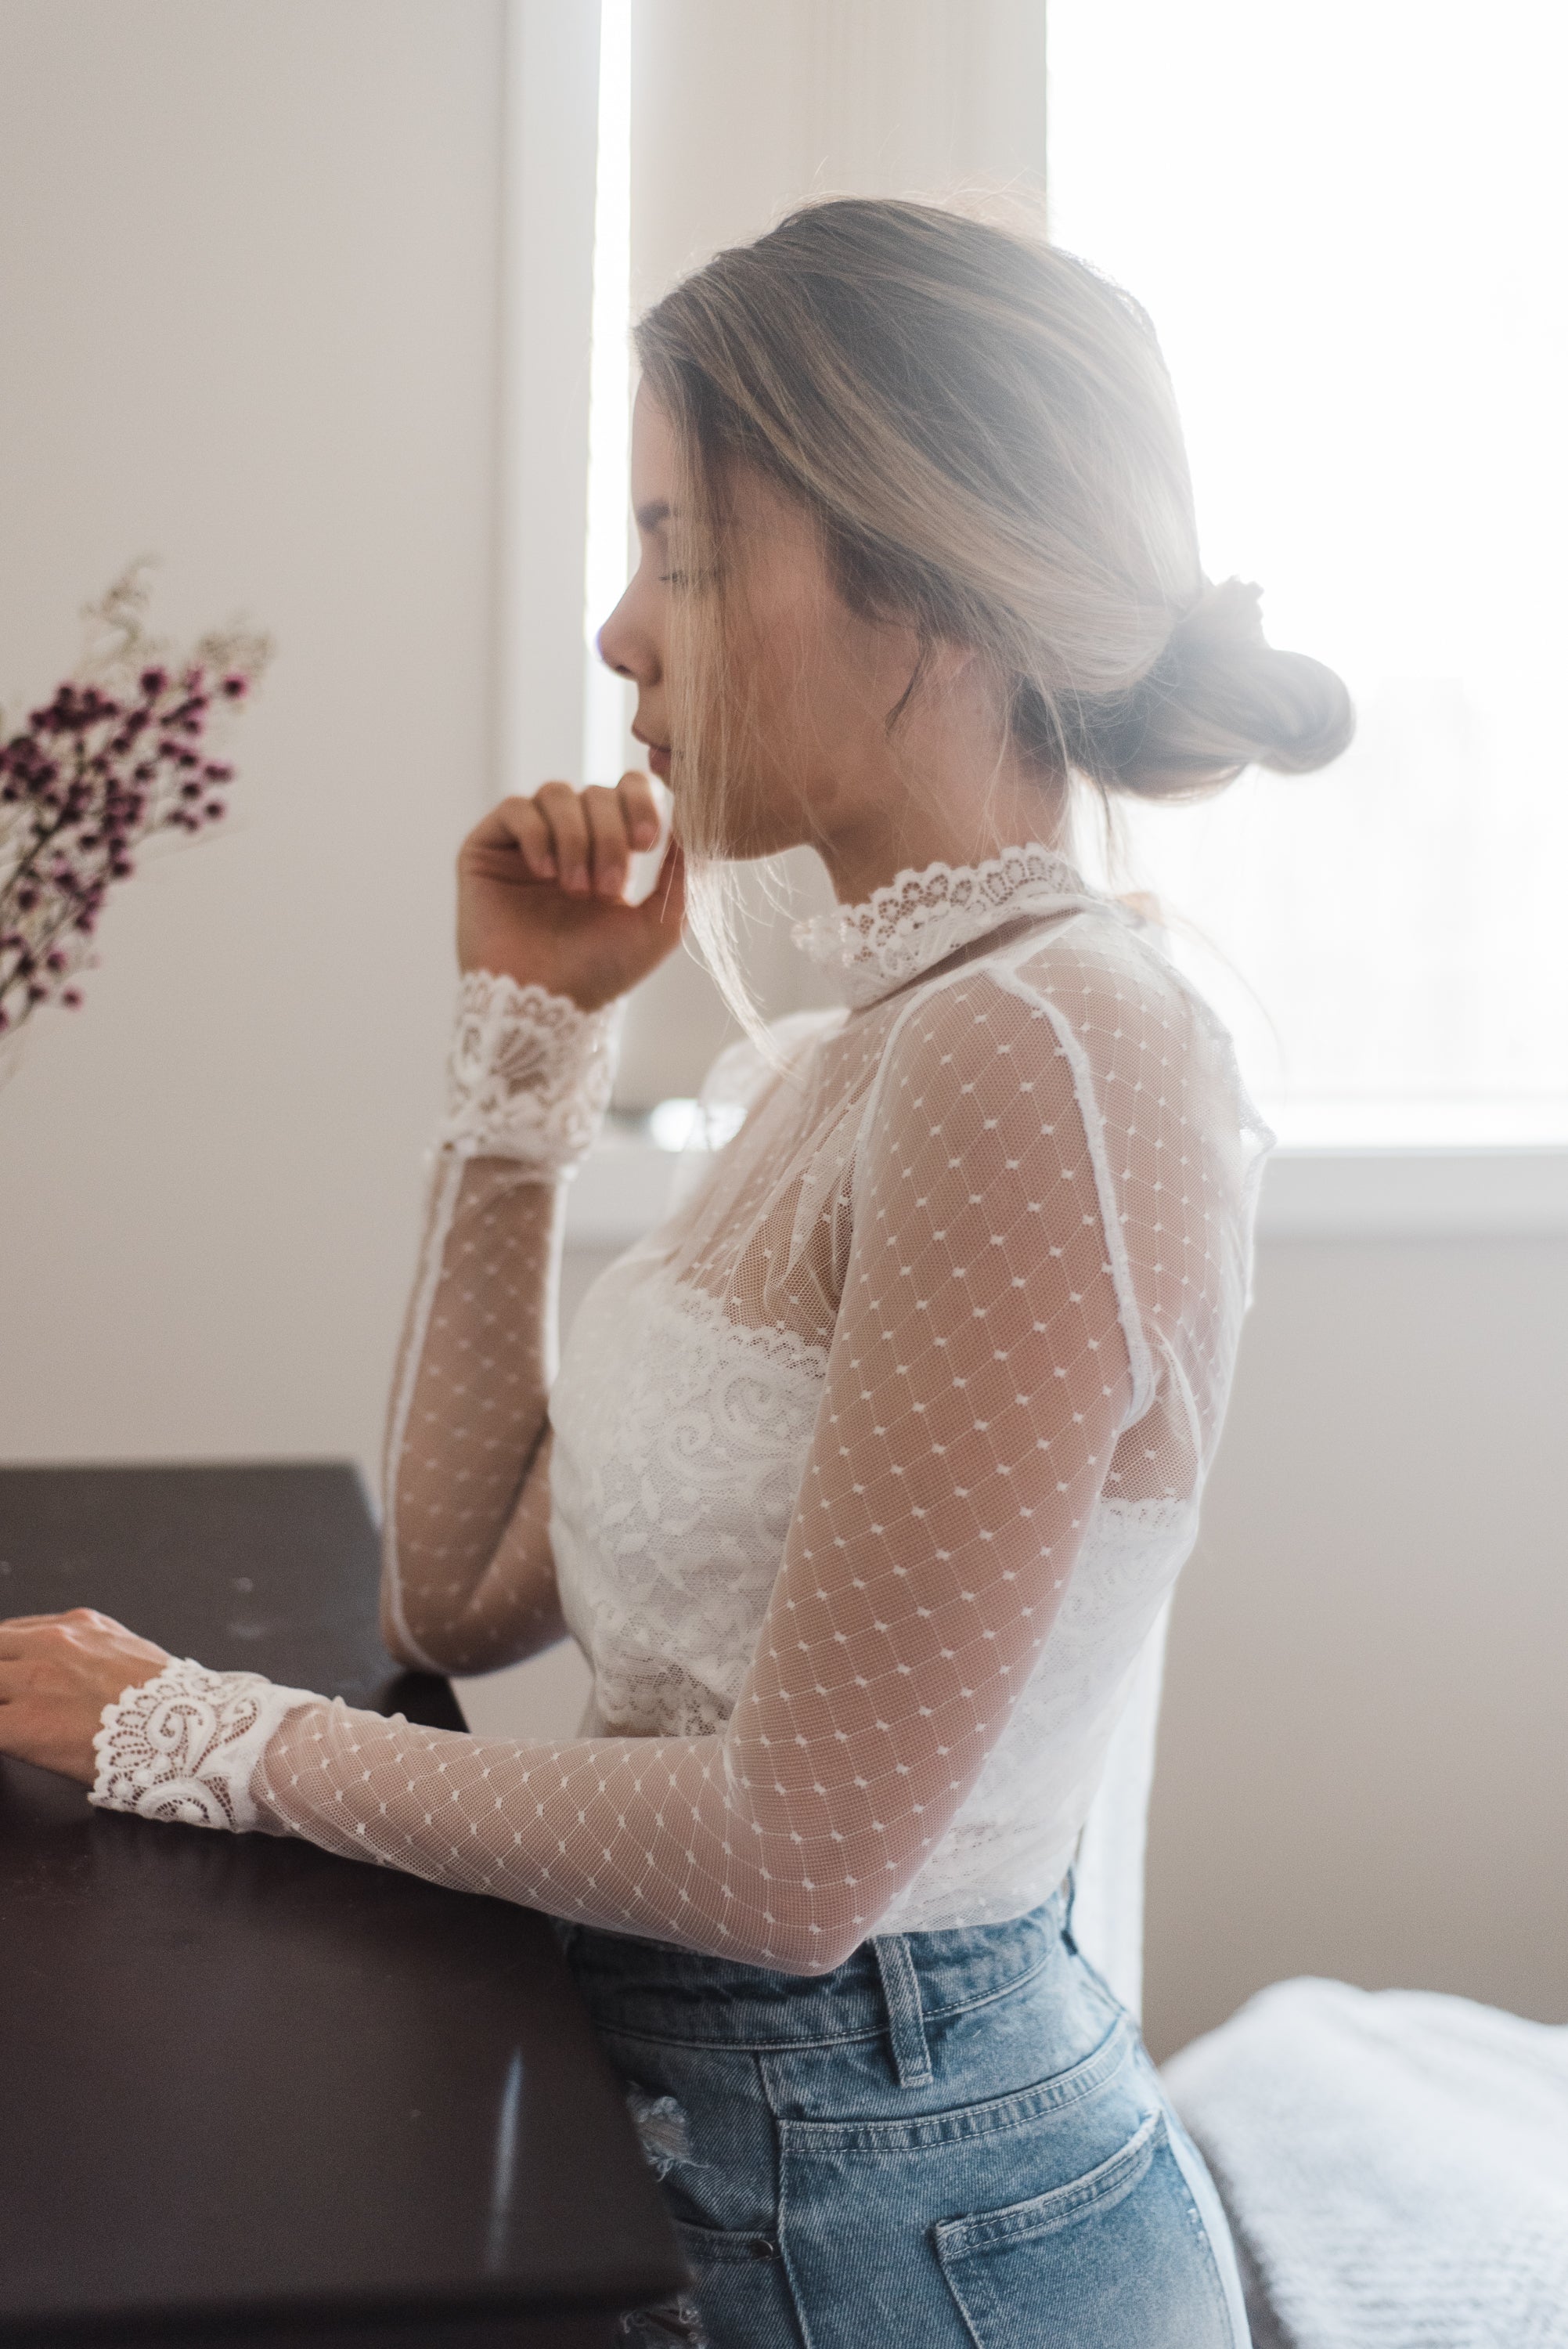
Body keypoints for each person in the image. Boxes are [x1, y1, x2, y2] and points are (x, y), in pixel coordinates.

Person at [0, 198, 1351, 2347]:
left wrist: (193, 1733)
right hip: (718, 2155)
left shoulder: (1052, 1045)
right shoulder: (852, 1054)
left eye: (685, 551)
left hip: (888, 2221)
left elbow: (792, 1865)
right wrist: (526, 1044)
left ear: (920, 580)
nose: (621, 634)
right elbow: (452, 1593)